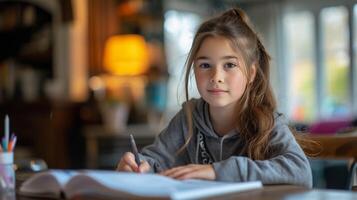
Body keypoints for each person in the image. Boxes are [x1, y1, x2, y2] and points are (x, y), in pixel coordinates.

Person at [117, 7, 312, 187]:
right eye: (205, 65)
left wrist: (215, 171)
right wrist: (138, 166)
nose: (216, 77)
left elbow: (301, 172)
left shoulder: (267, 123)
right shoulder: (188, 118)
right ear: (195, 69)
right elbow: (155, 161)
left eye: (229, 65)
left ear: (251, 73)